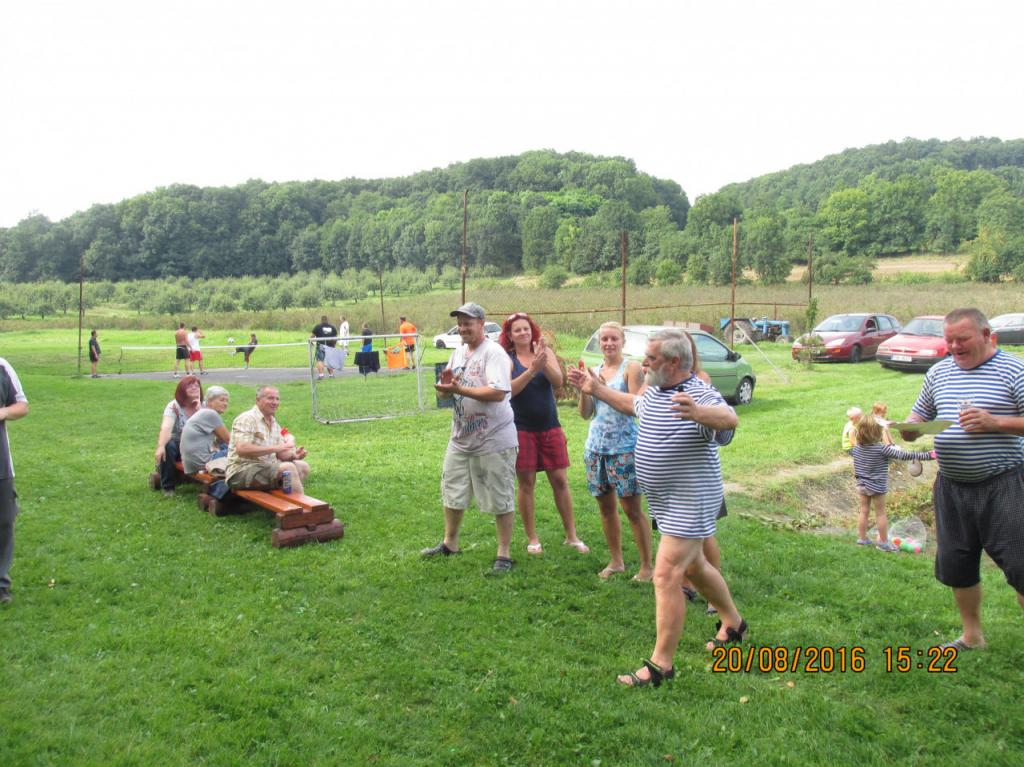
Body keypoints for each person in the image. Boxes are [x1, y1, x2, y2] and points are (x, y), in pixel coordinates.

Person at [569, 328, 745, 687]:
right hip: (667, 502)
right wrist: (595, 389)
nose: (644, 363)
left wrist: (698, 413)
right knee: (695, 567)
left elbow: (730, 419)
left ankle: (661, 665)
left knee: (666, 575)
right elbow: (631, 405)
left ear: (674, 362)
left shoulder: (697, 392)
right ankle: (733, 622)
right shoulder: (654, 391)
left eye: (651, 358)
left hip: (691, 500)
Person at [900, 308, 1024, 651]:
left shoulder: (1014, 370)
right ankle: (972, 636)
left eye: (962, 339)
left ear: (986, 335)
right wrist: (910, 429)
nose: (954, 346)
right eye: (949, 340)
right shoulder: (939, 372)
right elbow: (919, 415)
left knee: (1021, 566)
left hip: (1005, 485)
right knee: (958, 564)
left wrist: (995, 423)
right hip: (952, 487)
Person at [423, 302, 520, 574]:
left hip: (493, 438)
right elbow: (446, 393)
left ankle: (504, 554)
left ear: (481, 324)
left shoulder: (494, 353)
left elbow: (498, 392)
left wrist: (459, 389)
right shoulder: (457, 353)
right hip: (461, 438)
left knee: (500, 495)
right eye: (460, 324)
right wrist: (445, 388)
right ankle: (450, 543)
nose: (463, 328)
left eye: (468, 323)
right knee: (452, 490)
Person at [500, 312, 588, 557]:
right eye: (517, 330)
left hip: (550, 426)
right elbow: (508, 391)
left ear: (532, 331)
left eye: (526, 328)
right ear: (510, 335)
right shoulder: (507, 359)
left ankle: (571, 536)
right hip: (521, 429)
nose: (523, 333)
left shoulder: (544, 352)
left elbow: (558, 382)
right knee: (527, 484)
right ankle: (533, 538)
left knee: (560, 481)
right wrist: (531, 370)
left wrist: (543, 361)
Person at [577, 321, 652, 580]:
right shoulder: (595, 371)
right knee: (606, 509)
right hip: (596, 448)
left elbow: (634, 406)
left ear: (623, 341)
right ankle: (616, 561)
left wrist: (601, 388)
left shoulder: (631, 368)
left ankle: (646, 567)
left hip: (624, 449)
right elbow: (585, 413)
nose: (609, 343)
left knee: (632, 510)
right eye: (604, 339)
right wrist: (585, 389)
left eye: (613, 338)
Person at [851, 415, 935, 549]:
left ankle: (862, 538)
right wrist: (928, 455)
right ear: (877, 433)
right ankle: (883, 542)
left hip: (862, 484)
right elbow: (904, 455)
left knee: (864, 511)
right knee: (880, 513)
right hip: (877, 486)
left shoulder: (856, 449)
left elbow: (856, 466)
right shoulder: (881, 449)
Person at [226, 386, 310, 494]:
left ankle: (284, 499)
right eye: (270, 398)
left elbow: (281, 454)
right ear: (258, 400)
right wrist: (276, 448)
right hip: (241, 471)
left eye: (277, 399)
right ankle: (297, 504)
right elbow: (242, 449)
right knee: (288, 468)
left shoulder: (274, 424)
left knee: (303, 466)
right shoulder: (247, 419)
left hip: (265, 468)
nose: (275, 402)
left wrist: (294, 455)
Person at [0, 356, 29, 605]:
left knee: (4, 523)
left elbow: (21, 406)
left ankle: (1, 585)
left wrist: (2, 412)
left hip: (1, 466)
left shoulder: (2, 367)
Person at [154, 375, 203, 497]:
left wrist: (200, 411)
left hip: (198, 445)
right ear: (182, 389)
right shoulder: (174, 406)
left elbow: (211, 429)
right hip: (178, 445)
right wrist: (160, 446)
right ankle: (168, 487)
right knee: (167, 446)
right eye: (190, 386)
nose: (195, 388)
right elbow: (166, 428)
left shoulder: (204, 405)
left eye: (197, 386)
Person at [180, 386, 232, 474]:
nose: (225, 403)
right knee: (240, 451)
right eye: (222, 400)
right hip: (203, 463)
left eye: (227, 401)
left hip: (191, 463)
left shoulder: (203, 412)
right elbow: (230, 440)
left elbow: (221, 440)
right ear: (210, 401)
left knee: (226, 446)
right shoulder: (211, 414)